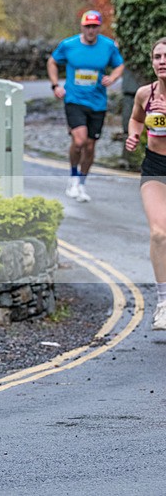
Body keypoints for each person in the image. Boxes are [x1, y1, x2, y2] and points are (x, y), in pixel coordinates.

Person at [47, 10, 125, 203]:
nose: (91, 30)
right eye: (88, 26)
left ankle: (81, 183)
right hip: (74, 100)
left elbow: (120, 65)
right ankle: (73, 177)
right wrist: (55, 85)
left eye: (95, 26)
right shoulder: (69, 45)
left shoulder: (107, 46)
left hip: (97, 102)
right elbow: (52, 61)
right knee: (79, 141)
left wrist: (113, 77)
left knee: (90, 147)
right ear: (82, 27)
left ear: (99, 27)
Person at [125, 37, 166, 330]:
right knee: (159, 234)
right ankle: (164, 304)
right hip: (155, 168)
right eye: (157, 56)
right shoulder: (145, 94)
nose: (162, 61)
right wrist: (134, 134)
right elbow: (136, 119)